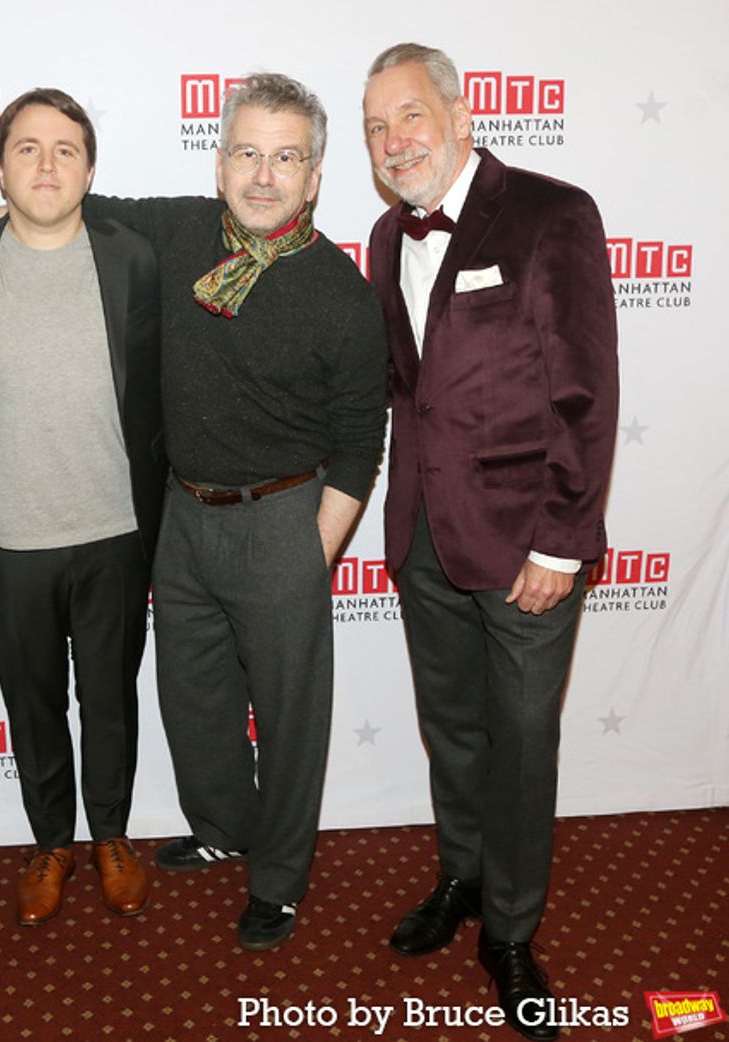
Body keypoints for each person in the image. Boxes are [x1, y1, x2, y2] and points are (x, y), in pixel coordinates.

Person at [80, 73, 387, 951]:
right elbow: (64, 201)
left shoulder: (339, 291)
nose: (263, 175)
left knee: (292, 718)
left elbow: (363, 438)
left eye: (285, 157)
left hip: (283, 521)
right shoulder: (178, 231)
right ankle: (223, 825)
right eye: (247, 153)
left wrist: (310, 549)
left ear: (315, 177)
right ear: (219, 165)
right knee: (194, 698)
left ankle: (280, 879)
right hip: (184, 515)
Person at [362, 43, 618, 1039]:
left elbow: (587, 394)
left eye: (411, 116)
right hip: (425, 536)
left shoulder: (554, 213)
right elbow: (405, 386)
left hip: (528, 547)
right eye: (378, 127)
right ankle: (462, 876)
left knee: (520, 744)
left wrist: (563, 539)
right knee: (456, 729)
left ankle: (510, 929)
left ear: (462, 115)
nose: (395, 142)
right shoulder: (388, 236)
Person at [0, 89, 164, 927]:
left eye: (65, 149)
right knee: (31, 702)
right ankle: (49, 843)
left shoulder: (134, 260)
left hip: (115, 529)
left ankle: (111, 837)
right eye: (26, 148)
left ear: (91, 170)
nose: (45, 164)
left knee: (110, 698)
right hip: (10, 538)